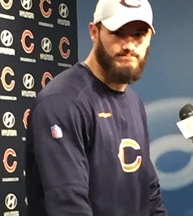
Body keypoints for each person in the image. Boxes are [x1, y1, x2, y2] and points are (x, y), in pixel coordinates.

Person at [25, 0, 167, 215]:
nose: (129, 45)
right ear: (94, 32)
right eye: (118, 32)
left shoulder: (134, 102)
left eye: (138, 35)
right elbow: (69, 205)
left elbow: (150, 194)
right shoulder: (62, 102)